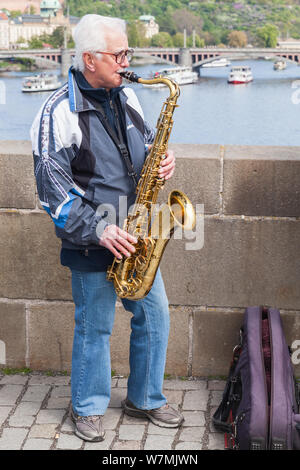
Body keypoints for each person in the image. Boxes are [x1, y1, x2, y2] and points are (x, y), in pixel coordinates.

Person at [30, 14, 183, 443]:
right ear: (89, 58)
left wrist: (163, 158)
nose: (126, 61)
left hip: (136, 233)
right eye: (119, 54)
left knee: (154, 317)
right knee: (94, 327)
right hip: (93, 239)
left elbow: (148, 144)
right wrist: (100, 229)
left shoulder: (126, 95)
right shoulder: (56, 112)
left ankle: (145, 398)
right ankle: (88, 407)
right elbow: (52, 193)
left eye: (127, 52)